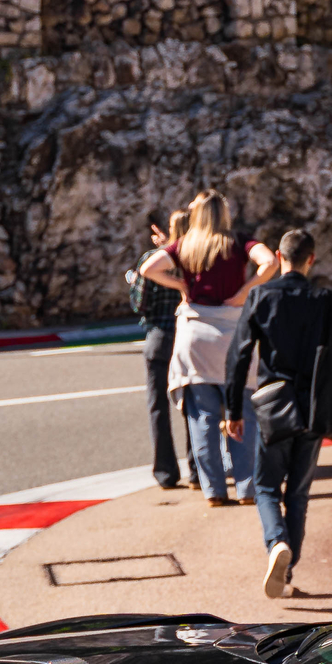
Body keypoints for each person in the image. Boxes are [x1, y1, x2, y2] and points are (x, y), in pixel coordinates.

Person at [223, 228, 332, 598]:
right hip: (314, 407)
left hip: (274, 406)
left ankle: (276, 543)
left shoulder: (261, 296)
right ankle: (287, 572)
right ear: (311, 259)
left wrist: (233, 408)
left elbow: (238, 356)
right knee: (297, 494)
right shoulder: (325, 299)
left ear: (279, 257)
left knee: (266, 486)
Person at [139, 189, 275, 506]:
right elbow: (269, 262)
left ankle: (214, 490)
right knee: (243, 413)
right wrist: (245, 291)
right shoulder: (239, 242)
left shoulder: (185, 245)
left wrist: (181, 284)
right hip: (233, 336)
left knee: (202, 417)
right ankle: (247, 488)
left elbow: (148, 269)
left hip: (195, 336)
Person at [126, 210, 190, 489]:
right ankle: (199, 469)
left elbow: (139, 303)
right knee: (194, 403)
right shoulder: (195, 260)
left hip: (159, 336)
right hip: (187, 335)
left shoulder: (151, 260)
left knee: (158, 406)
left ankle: (166, 472)